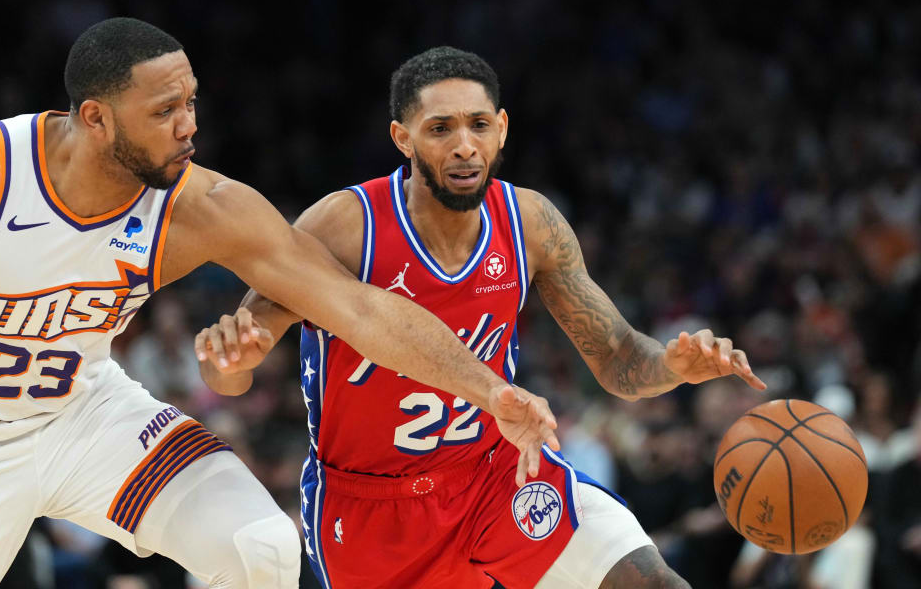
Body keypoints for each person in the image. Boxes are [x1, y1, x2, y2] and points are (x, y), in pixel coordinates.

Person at [0, 22, 563, 588]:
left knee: (260, 549)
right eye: (164, 111)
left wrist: (490, 389)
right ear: (96, 119)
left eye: (191, 102)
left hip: (82, 414)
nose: (189, 125)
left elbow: (361, 308)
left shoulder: (202, 207)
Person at [196, 46, 767, 589]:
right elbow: (232, 371)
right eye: (440, 128)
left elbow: (619, 361)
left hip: (497, 474)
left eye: (478, 125)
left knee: (652, 581)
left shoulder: (530, 222)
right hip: (371, 509)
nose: (464, 145)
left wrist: (671, 366)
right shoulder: (346, 226)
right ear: (403, 137)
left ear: (502, 128)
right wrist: (231, 362)